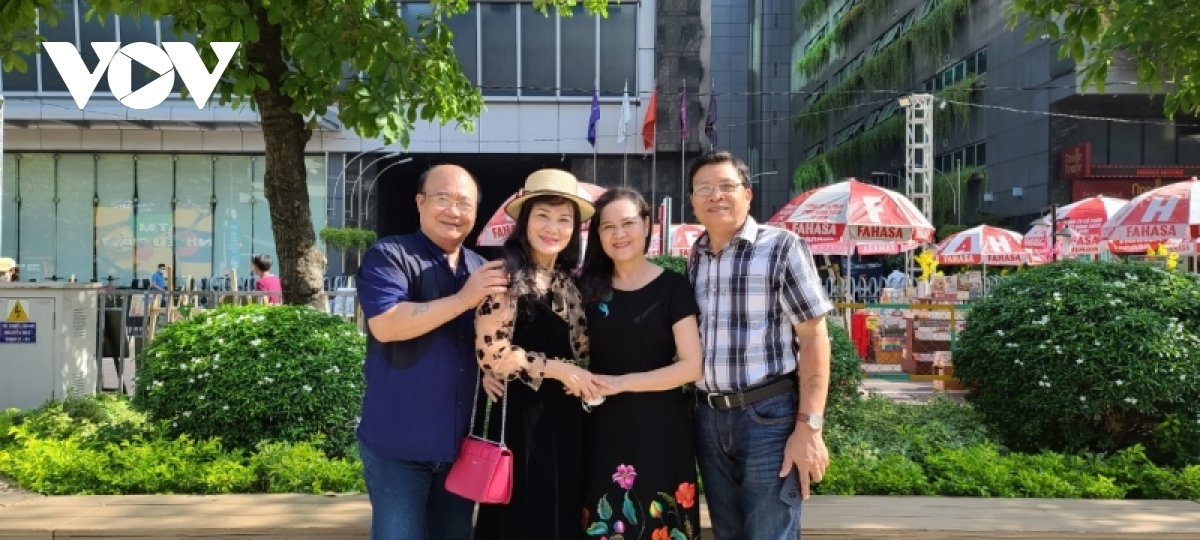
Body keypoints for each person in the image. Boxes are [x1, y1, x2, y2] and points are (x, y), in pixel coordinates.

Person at [355, 164, 509, 540]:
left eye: (464, 203)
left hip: (459, 448)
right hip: (398, 447)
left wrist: (490, 365)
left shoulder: (479, 268)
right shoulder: (390, 255)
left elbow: (487, 337)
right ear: (420, 202)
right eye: (443, 198)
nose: (454, 211)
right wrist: (463, 298)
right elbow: (387, 324)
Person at [685, 150, 834, 539]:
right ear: (693, 202)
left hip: (768, 418)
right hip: (709, 417)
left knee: (771, 532)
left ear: (747, 195)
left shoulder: (781, 247)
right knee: (726, 533)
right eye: (704, 188)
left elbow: (814, 338)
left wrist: (810, 428)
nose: (715, 195)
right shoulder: (696, 257)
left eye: (726, 186)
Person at [473, 169, 612, 540]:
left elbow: (582, 349)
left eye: (564, 220)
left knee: (560, 512)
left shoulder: (569, 282)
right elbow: (493, 355)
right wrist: (558, 370)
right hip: (520, 418)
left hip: (565, 419)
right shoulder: (503, 277)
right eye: (543, 216)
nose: (553, 228)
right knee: (522, 516)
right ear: (525, 221)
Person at [577, 186, 705, 540]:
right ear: (597, 234)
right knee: (604, 523)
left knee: (660, 523)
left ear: (647, 225)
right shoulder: (585, 289)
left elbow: (692, 366)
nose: (619, 234)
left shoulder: (673, 288)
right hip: (601, 426)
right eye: (608, 227)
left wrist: (622, 382)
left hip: (661, 427)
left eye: (628, 223)